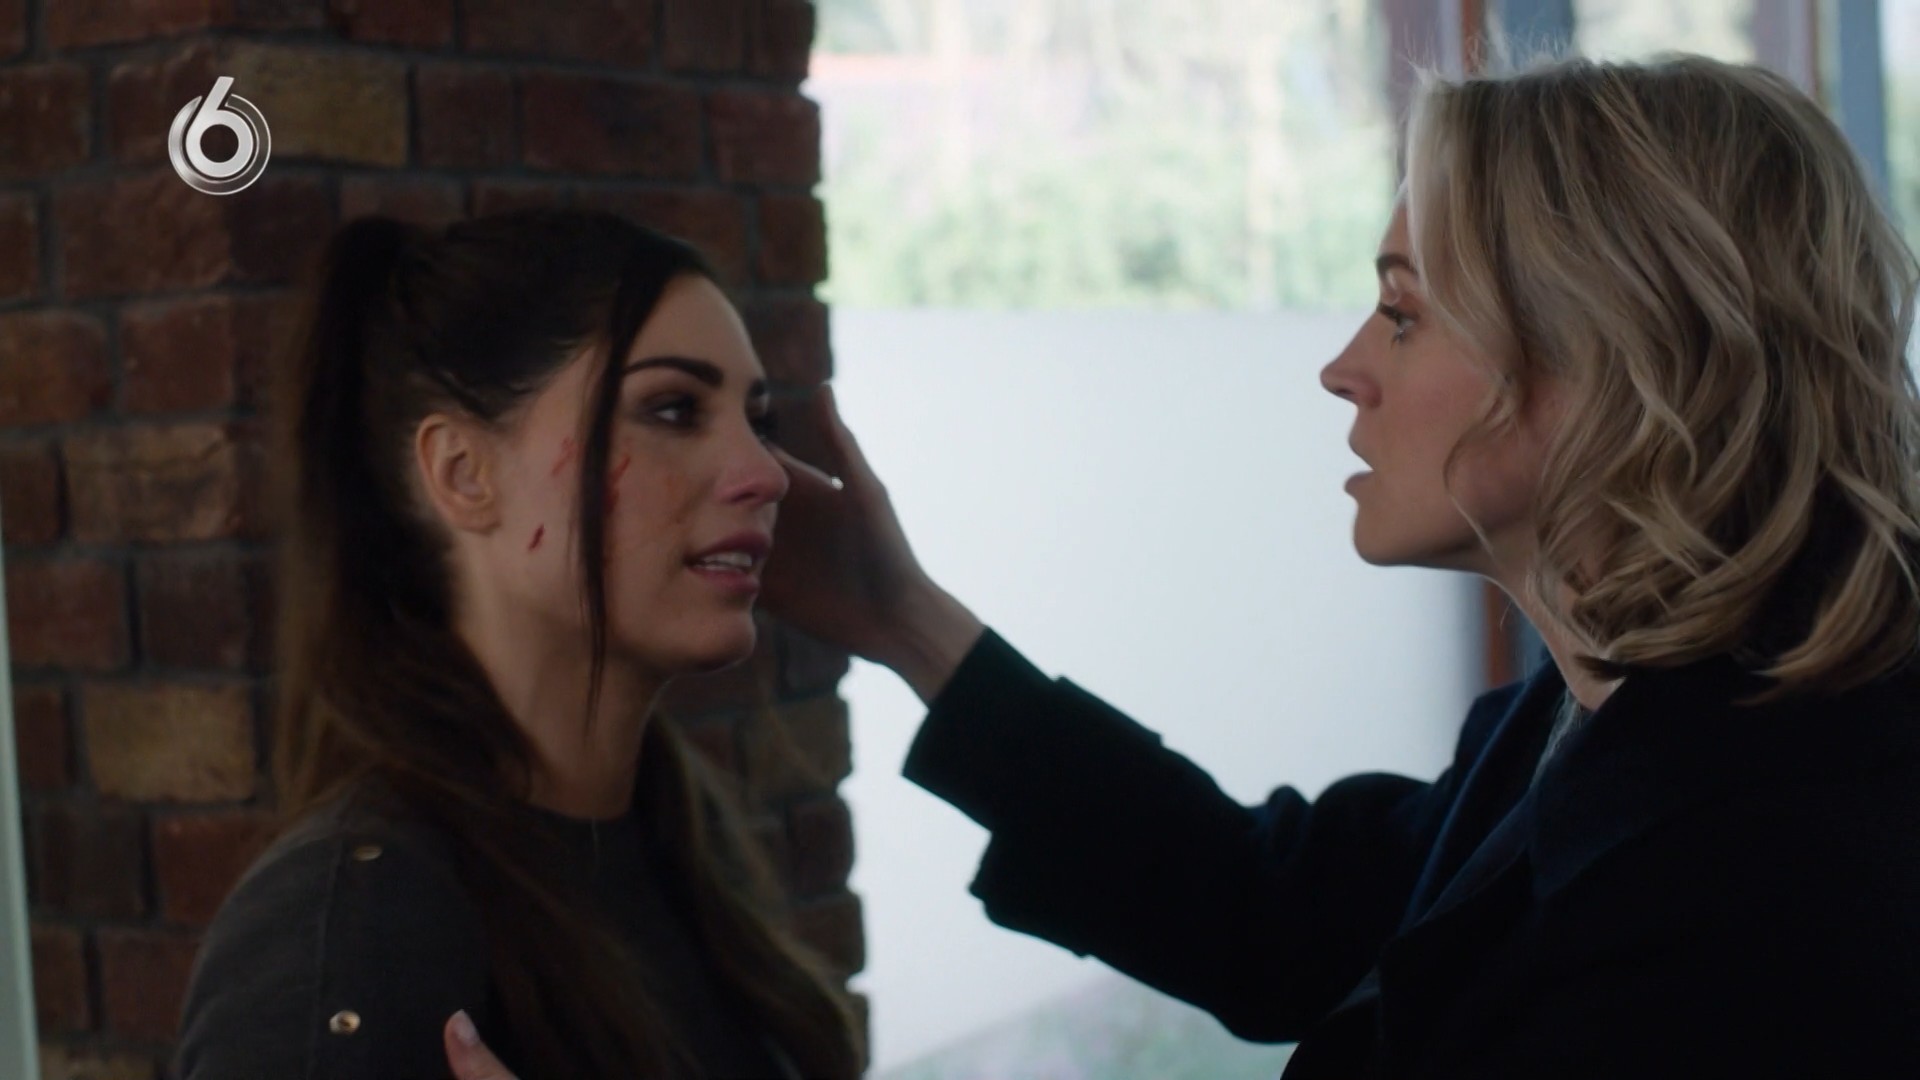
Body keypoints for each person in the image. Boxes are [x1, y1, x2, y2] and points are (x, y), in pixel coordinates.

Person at [447, 53, 1920, 1079]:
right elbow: (1277, 916)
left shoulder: (1768, 892)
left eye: (1404, 313)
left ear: (1606, 357)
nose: (1344, 368)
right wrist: (904, 621)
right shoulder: (1588, 726)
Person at [173, 209, 866, 1079]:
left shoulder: (678, 843)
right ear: (464, 474)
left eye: (756, 420)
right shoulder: (353, 922)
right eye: (674, 409)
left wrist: (908, 620)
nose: (764, 473)